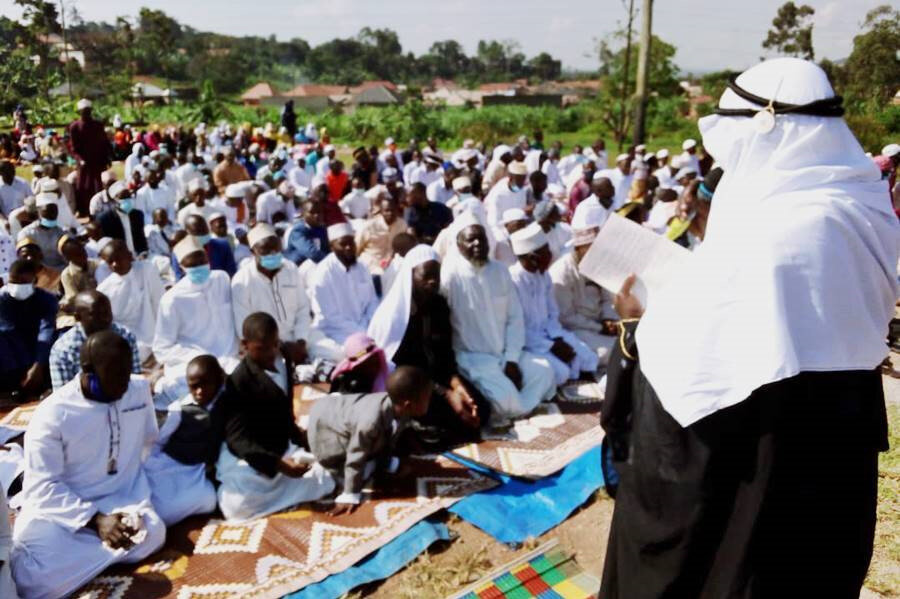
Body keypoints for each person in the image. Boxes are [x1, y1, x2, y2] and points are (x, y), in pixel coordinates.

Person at [598, 58, 899, 599]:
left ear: (767, 130)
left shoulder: (778, 234)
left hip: (760, 447)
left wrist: (639, 328)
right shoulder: (861, 205)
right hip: (837, 436)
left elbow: (687, 384)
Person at [10, 331, 165, 599]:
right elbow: (42, 487)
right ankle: (112, 546)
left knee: (154, 531)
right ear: (88, 371)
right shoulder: (53, 414)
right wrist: (97, 521)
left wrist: (126, 494)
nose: (125, 383)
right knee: (31, 579)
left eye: (127, 372)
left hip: (121, 497)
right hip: (64, 510)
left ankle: (103, 550)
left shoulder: (137, 390)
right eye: (116, 375)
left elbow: (148, 441)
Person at [216, 312, 334, 521]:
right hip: (254, 457)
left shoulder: (283, 358)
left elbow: (286, 414)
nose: (271, 353)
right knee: (236, 504)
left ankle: (293, 486)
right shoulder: (238, 382)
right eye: (262, 349)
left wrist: (301, 439)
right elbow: (238, 441)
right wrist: (279, 465)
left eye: (274, 345)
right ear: (245, 345)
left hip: (283, 446)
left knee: (330, 464)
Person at [369, 245, 489, 447]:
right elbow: (398, 370)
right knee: (447, 423)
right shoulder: (395, 316)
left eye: (436, 276)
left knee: (481, 410)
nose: (432, 282)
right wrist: (446, 394)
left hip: (438, 380)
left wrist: (457, 387)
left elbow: (445, 354)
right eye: (426, 276)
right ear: (410, 276)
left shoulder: (439, 306)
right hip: (409, 386)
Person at [440, 217, 556, 426]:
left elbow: (514, 317)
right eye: (470, 240)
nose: (477, 244)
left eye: (481, 239)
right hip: (474, 358)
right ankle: (515, 403)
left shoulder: (500, 270)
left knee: (545, 371)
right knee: (506, 401)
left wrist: (511, 359)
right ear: (459, 246)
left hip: (506, 353)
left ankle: (516, 402)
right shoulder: (451, 277)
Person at [308, 365, 431, 515]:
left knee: (377, 449)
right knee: (353, 471)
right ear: (409, 404)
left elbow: (390, 435)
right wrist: (350, 494)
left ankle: (382, 462)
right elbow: (356, 455)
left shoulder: (399, 409)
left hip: (340, 412)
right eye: (427, 398)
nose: (429, 401)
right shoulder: (370, 422)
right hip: (324, 430)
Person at [508, 224, 598, 385]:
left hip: (550, 334)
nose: (551, 256)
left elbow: (552, 314)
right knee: (560, 373)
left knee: (589, 359)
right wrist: (550, 346)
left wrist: (558, 339)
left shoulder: (544, 276)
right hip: (527, 343)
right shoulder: (512, 282)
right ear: (532, 258)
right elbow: (517, 329)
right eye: (546, 253)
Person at [153, 236, 239, 389]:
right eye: (193, 264)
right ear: (181, 267)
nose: (200, 267)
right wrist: (199, 357)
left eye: (202, 261)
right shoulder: (172, 299)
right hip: (192, 362)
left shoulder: (222, 279)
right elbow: (162, 348)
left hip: (229, 358)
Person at [145, 355, 222, 526]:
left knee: (209, 499)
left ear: (218, 380)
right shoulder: (181, 411)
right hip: (168, 466)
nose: (199, 392)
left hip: (196, 472)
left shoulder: (225, 405)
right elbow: (158, 441)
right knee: (158, 505)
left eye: (205, 384)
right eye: (194, 387)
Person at [231, 224, 313, 366]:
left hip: (298, 338)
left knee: (332, 353)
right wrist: (279, 347)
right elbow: (244, 327)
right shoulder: (242, 281)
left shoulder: (291, 269)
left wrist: (301, 341)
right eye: (266, 251)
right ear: (253, 251)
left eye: (276, 249)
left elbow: (303, 309)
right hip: (265, 347)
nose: (273, 254)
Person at [550, 206, 617, 366]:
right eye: (591, 250)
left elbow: (608, 297)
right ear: (578, 249)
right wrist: (599, 327)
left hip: (600, 321)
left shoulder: (598, 263)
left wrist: (608, 318)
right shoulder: (562, 272)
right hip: (577, 328)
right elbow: (566, 317)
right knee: (611, 351)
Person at [309, 223, 379, 362]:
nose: (349, 247)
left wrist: (371, 326)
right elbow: (331, 317)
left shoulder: (362, 267)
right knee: (352, 354)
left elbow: (372, 302)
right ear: (332, 247)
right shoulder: (323, 273)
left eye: (351, 242)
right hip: (334, 332)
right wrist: (362, 332)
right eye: (343, 244)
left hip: (365, 327)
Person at [48, 290, 141, 391]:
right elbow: (63, 395)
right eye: (96, 314)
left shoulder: (125, 336)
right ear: (78, 317)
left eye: (107, 312)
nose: (105, 318)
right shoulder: (63, 350)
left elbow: (135, 383)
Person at [97, 240, 164, 362]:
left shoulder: (147, 269)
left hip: (156, 331)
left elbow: (159, 302)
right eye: (110, 262)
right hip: (130, 341)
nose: (115, 265)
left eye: (118, 259)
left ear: (129, 255)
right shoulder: (104, 289)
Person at [0, 260, 57, 398]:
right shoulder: (2, 298)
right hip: (12, 347)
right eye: (14, 282)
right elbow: (8, 329)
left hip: (39, 345)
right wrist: (28, 368)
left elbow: (46, 330)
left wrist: (38, 365)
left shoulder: (47, 299)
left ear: (34, 279)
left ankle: (47, 384)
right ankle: (12, 385)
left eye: (23, 282)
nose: (18, 286)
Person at [67, 99, 111, 216]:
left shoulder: (98, 125)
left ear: (90, 111)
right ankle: (83, 211)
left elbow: (104, 143)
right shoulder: (75, 127)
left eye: (88, 111)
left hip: (97, 161)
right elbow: (74, 148)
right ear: (79, 112)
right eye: (83, 111)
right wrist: (80, 160)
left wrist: (107, 158)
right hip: (84, 163)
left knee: (98, 186)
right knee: (83, 187)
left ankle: (99, 210)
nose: (86, 114)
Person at [174, 215, 237, 279]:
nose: (203, 233)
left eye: (205, 229)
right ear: (187, 233)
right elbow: (180, 278)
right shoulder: (179, 252)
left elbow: (231, 272)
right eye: (198, 231)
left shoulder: (223, 245)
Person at [356, 196, 407, 274]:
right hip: (370, 265)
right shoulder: (369, 226)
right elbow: (356, 248)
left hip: (392, 265)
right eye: (387, 210)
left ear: (397, 210)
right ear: (381, 212)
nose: (390, 213)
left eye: (393, 210)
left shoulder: (402, 224)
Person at [97, 183, 149, 256]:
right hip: (119, 259)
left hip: (138, 255)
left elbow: (141, 238)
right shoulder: (105, 219)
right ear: (114, 200)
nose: (127, 199)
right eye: (123, 197)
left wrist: (143, 252)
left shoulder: (137, 215)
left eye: (128, 196)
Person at [57, 235, 98, 326]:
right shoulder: (67, 274)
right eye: (78, 255)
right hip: (83, 306)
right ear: (68, 258)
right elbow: (73, 297)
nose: (83, 256)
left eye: (83, 251)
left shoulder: (95, 264)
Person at [18, 194, 66, 269]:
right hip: (40, 273)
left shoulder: (62, 232)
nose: (51, 216)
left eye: (53, 213)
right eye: (47, 214)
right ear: (38, 213)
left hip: (62, 270)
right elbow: (27, 259)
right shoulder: (26, 233)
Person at [484, 160, 528, 233]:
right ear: (510, 178)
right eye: (519, 180)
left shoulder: (521, 190)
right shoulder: (498, 194)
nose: (522, 183)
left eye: (523, 180)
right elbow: (493, 223)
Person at [284, 199, 329, 267]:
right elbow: (311, 252)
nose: (316, 215)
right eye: (312, 212)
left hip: (317, 265)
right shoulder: (298, 230)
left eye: (319, 212)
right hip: (296, 267)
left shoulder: (322, 229)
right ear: (303, 214)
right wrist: (331, 262)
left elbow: (327, 248)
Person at [0, 160, 31, 225]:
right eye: (7, 173)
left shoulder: (23, 183)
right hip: (6, 221)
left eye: (12, 172)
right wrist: (4, 221)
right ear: (1, 173)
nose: (11, 176)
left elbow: (31, 201)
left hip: (24, 219)